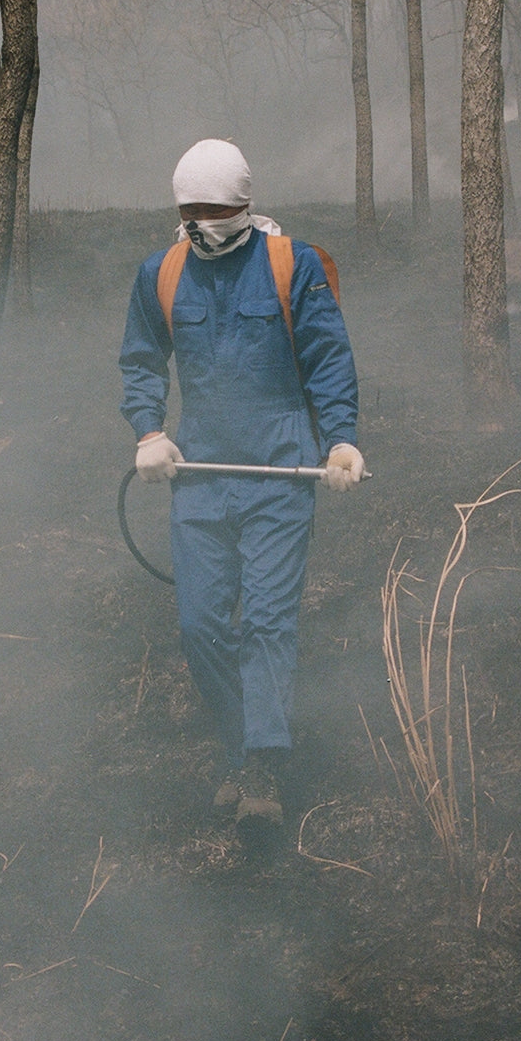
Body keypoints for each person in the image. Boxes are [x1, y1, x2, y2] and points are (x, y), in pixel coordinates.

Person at [119, 138, 364, 851]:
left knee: (265, 621)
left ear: (245, 205)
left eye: (215, 210)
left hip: (279, 472)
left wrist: (340, 440)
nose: (202, 223)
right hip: (198, 473)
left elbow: (327, 356)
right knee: (200, 626)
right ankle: (239, 739)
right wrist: (147, 433)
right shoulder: (161, 274)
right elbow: (141, 357)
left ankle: (260, 767)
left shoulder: (294, 265)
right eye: (189, 211)